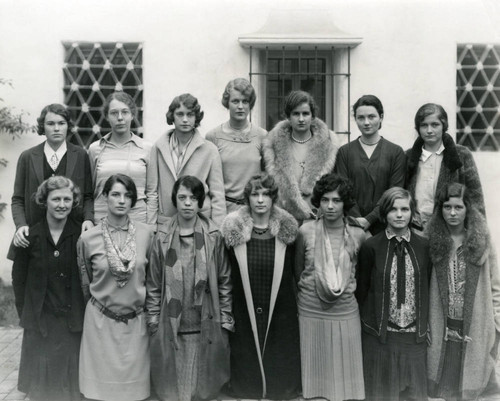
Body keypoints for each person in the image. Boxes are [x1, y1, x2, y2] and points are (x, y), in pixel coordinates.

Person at [146, 175, 233, 401]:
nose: (187, 203)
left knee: (202, 387)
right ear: (174, 199)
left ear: (200, 202)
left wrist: (225, 318)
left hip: (204, 320)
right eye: (182, 197)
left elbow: (224, 280)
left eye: (193, 198)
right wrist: (153, 320)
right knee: (175, 389)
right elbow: (154, 284)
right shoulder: (162, 237)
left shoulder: (213, 235)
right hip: (173, 322)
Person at [221, 173, 300, 399]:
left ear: (273, 198)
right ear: (248, 198)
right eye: (255, 194)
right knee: (246, 351)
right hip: (245, 305)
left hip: (279, 307)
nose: (260, 200)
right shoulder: (233, 231)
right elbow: (226, 276)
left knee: (278, 349)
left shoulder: (288, 232)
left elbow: (295, 274)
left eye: (266, 194)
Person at [77, 174, 154, 401]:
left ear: (133, 201)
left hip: (135, 324)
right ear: (105, 197)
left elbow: (151, 279)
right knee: (98, 394)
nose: (122, 200)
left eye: (127, 195)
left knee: (135, 394)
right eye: (116, 194)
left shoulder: (147, 234)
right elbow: (85, 281)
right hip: (100, 324)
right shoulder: (88, 239)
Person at [295, 173, 369, 401]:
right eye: (325, 199)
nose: (330, 206)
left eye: (336, 200)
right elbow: (297, 271)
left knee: (346, 389)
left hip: (345, 311)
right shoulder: (305, 232)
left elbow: (364, 278)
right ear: (318, 201)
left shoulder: (359, 235)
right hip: (310, 310)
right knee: (315, 383)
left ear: (345, 203)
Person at [12, 176, 85, 401]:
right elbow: (18, 280)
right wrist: (28, 313)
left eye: (67, 199)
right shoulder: (29, 236)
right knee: (41, 389)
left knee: (69, 387)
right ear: (45, 200)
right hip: (41, 319)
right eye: (56, 199)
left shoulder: (82, 236)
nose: (62, 204)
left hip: (71, 321)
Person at [355, 187, 431, 401]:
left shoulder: (423, 246)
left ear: (412, 212)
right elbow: (362, 289)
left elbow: (426, 285)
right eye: (393, 209)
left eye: (405, 209)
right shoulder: (371, 246)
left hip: (412, 336)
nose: (399, 215)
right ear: (384, 213)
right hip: (381, 335)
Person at [427, 183, 500, 400]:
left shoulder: (481, 242)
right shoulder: (430, 243)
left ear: (468, 208)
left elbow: (496, 286)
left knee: (472, 387)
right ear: (439, 209)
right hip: (442, 326)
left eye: (458, 207)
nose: (452, 213)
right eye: (447, 207)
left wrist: (495, 324)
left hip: (474, 326)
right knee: (442, 388)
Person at [11, 103, 93, 249]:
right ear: (43, 126)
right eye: (50, 124)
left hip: (71, 236)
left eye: (61, 123)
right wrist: (21, 225)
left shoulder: (80, 155)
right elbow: (17, 199)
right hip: (34, 236)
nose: (56, 128)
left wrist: (88, 219)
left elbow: (87, 195)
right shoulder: (27, 156)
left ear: (68, 126)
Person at [405, 103, 485, 233]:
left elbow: (476, 197)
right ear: (418, 128)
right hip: (415, 230)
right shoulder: (408, 157)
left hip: (450, 231)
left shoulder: (461, 155)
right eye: (424, 125)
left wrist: (477, 233)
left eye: (435, 125)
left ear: (444, 126)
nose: (429, 130)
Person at [149, 93, 226, 227]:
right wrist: (151, 227)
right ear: (172, 116)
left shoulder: (209, 150)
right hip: (166, 223)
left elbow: (217, 195)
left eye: (190, 114)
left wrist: (217, 230)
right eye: (180, 114)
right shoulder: (158, 147)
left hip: (199, 222)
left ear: (196, 117)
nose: (185, 119)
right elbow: (152, 192)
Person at [264, 90, 339, 224]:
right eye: (296, 114)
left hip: (317, 217)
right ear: (288, 116)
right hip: (283, 216)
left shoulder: (328, 144)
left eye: (305, 114)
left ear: (312, 115)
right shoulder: (274, 144)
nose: (301, 119)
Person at [335, 95, 406, 235]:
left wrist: (370, 219)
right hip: (351, 226)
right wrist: (358, 220)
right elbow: (343, 190)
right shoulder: (344, 152)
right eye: (360, 118)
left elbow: (394, 191)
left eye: (371, 117)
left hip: (386, 225)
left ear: (381, 117)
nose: (366, 122)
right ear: (355, 119)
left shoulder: (395, 152)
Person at [88, 91, 157, 224]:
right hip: (102, 222)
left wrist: (151, 227)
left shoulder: (147, 149)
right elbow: (90, 192)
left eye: (125, 112)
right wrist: (90, 220)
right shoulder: (95, 149)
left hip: (138, 222)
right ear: (107, 117)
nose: (120, 118)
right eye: (114, 113)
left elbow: (152, 193)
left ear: (132, 115)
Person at [206, 78, 267, 213]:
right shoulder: (213, 136)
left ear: (250, 104)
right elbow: (210, 179)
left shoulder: (262, 136)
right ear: (227, 103)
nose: (240, 106)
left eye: (245, 101)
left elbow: (268, 177)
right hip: (224, 210)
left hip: (254, 210)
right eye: (235, 101)